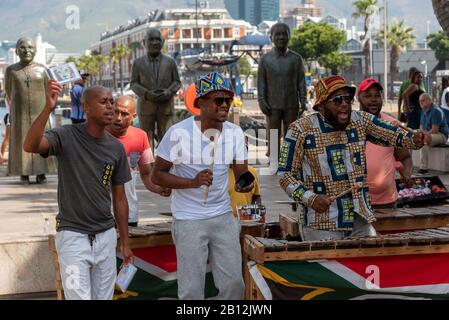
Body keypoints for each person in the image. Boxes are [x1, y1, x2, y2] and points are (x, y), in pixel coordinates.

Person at [278, 75, 426, 241]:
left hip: (359, 218)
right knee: (331, 268)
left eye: (347, 99)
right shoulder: (299, 130)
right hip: (321, 223)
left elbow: (392, 135)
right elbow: (285, 175)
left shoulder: (360, 121)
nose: (344, 104)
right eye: (337, 100)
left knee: (366, 265)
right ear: (321, 106)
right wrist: (311, 198)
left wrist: (413, 139)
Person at [23, 81, 134, 300]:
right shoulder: (65, 136)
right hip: (73, 236)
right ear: (86, 107)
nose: (111, 107)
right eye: (104, 102)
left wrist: (125, 241)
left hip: (106, 236)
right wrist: (47, 108)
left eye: (112, 101)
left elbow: (120, 199)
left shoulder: (116, 148)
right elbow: (30, 146)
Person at [152, 72, 253, 300]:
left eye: (228, 99)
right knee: (191, 291)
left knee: (235, 285)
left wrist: (244, 183)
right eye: (219, 100)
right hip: (188, 219)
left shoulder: (235, 133)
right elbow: (157, 175)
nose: (225, 104)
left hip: (223, 215)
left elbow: (241, 173)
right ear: (201, 103)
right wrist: (192, 182)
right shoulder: (179, 133)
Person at [107, 95, 171, 226]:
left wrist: (158, 188)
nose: (118, 118)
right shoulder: (98, 135)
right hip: (102, 214)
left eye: (124, 114)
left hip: (129, 213)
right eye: (115, 112)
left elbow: (146, 174)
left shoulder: (141, 137)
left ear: (133, 117)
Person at [357, 78, 414, 209]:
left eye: (377, 95)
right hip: (357, 203)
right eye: (368, 96)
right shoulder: (349, 125)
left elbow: (405, 157)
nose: (373, 99)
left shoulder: (391, 124)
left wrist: (407, 174)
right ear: (358, 98)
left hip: (387, 202)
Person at [5, 37, 51, 184]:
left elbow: (48, 89)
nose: (27, 51)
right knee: (20, 140)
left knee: (42, 139)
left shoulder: (43, 70)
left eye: (31, 47)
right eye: (23, 47)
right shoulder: (11, 70)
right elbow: (8, 90)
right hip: (19, 113)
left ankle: (41, 172)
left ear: (36, 50)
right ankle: (22, 172)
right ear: (17, 50)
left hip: (40, 112)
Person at [258, 22, 306, 157]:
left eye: (284, 34)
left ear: (289, 36)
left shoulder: (296, 59)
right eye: (277, 34)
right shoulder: (265, 59)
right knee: (273, 134)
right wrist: (261, 100)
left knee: (291, 135)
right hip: (272, 105)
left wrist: (303, 99)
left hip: (291, 104)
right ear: (271, 37)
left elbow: (301, 82)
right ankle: (274, 161)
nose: (281, 37)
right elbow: (261, 83)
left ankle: (290, 163)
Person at [130, 28, 181, 148]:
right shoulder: (138, 63)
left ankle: (166, 165)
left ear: (162, 42)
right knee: (147, 140)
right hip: (146, 106)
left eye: (157, 39)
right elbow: (133, 83)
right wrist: (147, 94)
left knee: (167, 138)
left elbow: (177, 81)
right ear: (144, 42)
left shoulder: (170, 62)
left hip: (166, 106)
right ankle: (149, 165)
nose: (154, 42)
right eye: (151, 39)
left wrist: (169, 91)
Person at [418, 93, 449, 174]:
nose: (421, 102)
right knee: (411, 137)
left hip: (441, 135)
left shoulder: (435, 111)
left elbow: (435, 130)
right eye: (420, 101)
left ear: (429, 100)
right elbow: (421, 127)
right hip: (429, 134)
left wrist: (423, 134)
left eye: (423, 100)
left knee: (423, 139)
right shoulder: (423, 111)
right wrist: (419, 133)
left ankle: (423, 168)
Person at [1, 95, 11, 164]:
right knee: (7, 138)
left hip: (10, 117)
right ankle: (1, 157)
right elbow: (11, 106)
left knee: (7, 139)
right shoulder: (8, 95)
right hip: (10, 118)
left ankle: (1, 157)